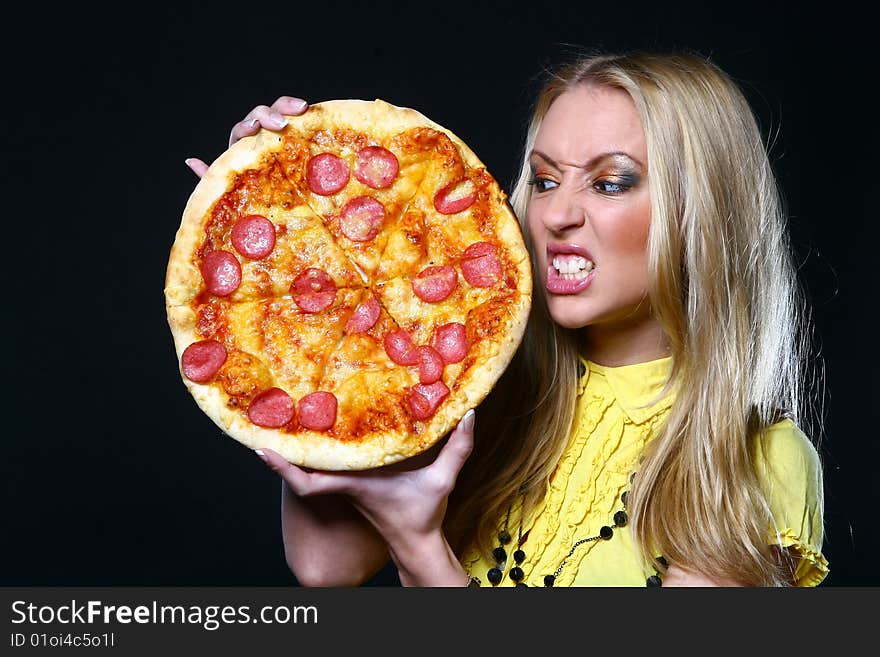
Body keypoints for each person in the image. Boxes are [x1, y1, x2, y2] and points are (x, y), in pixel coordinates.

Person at [186, 50, 828, 587]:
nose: (554, 216)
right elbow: (325, 565)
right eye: (546, 180)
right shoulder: (483, 386)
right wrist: (297, 240)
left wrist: (419, 546)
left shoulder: (754, 460)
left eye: (610, 183)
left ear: (703, 217)